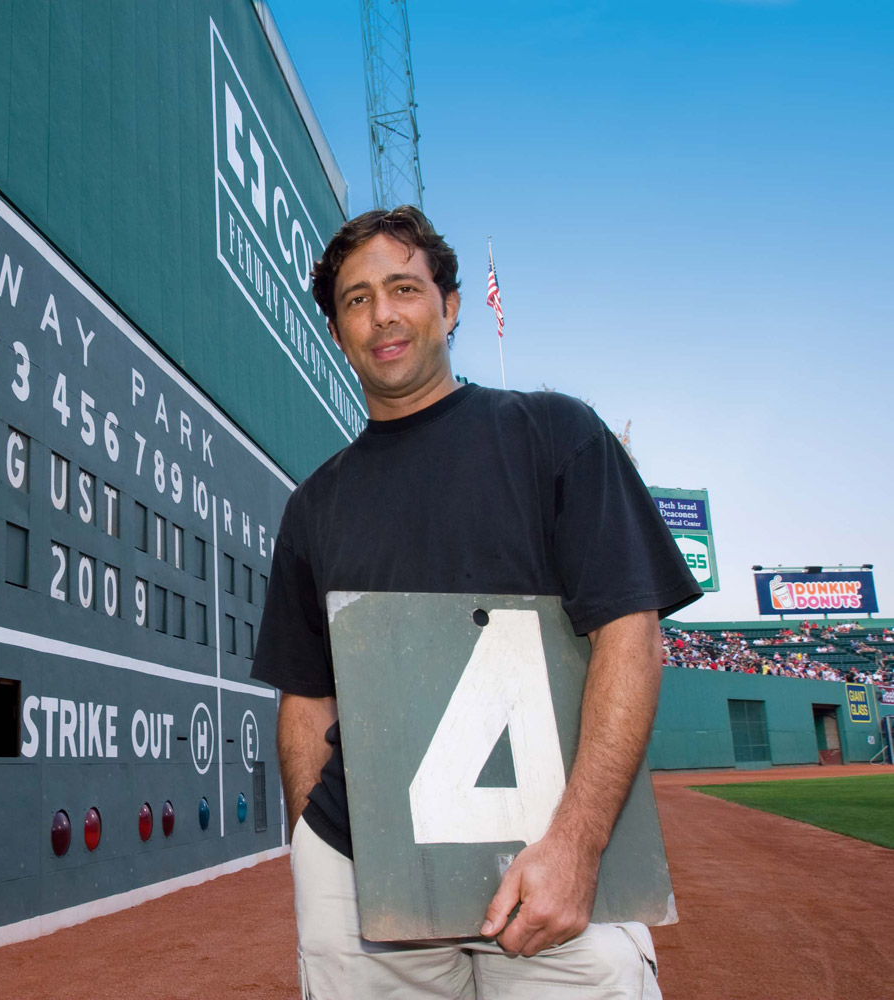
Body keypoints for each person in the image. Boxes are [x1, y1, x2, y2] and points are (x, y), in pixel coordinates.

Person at [250, 206, 702, 999]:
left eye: (402, 287)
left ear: (450, 305)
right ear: (336, 329)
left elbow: (628, 635)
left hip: (553, 862)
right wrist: (309, 852)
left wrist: (578, 842)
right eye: (356, 300)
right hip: (360, 869)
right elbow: (305, 697)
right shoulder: (313, 507)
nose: (383, 314)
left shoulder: (554, 433)